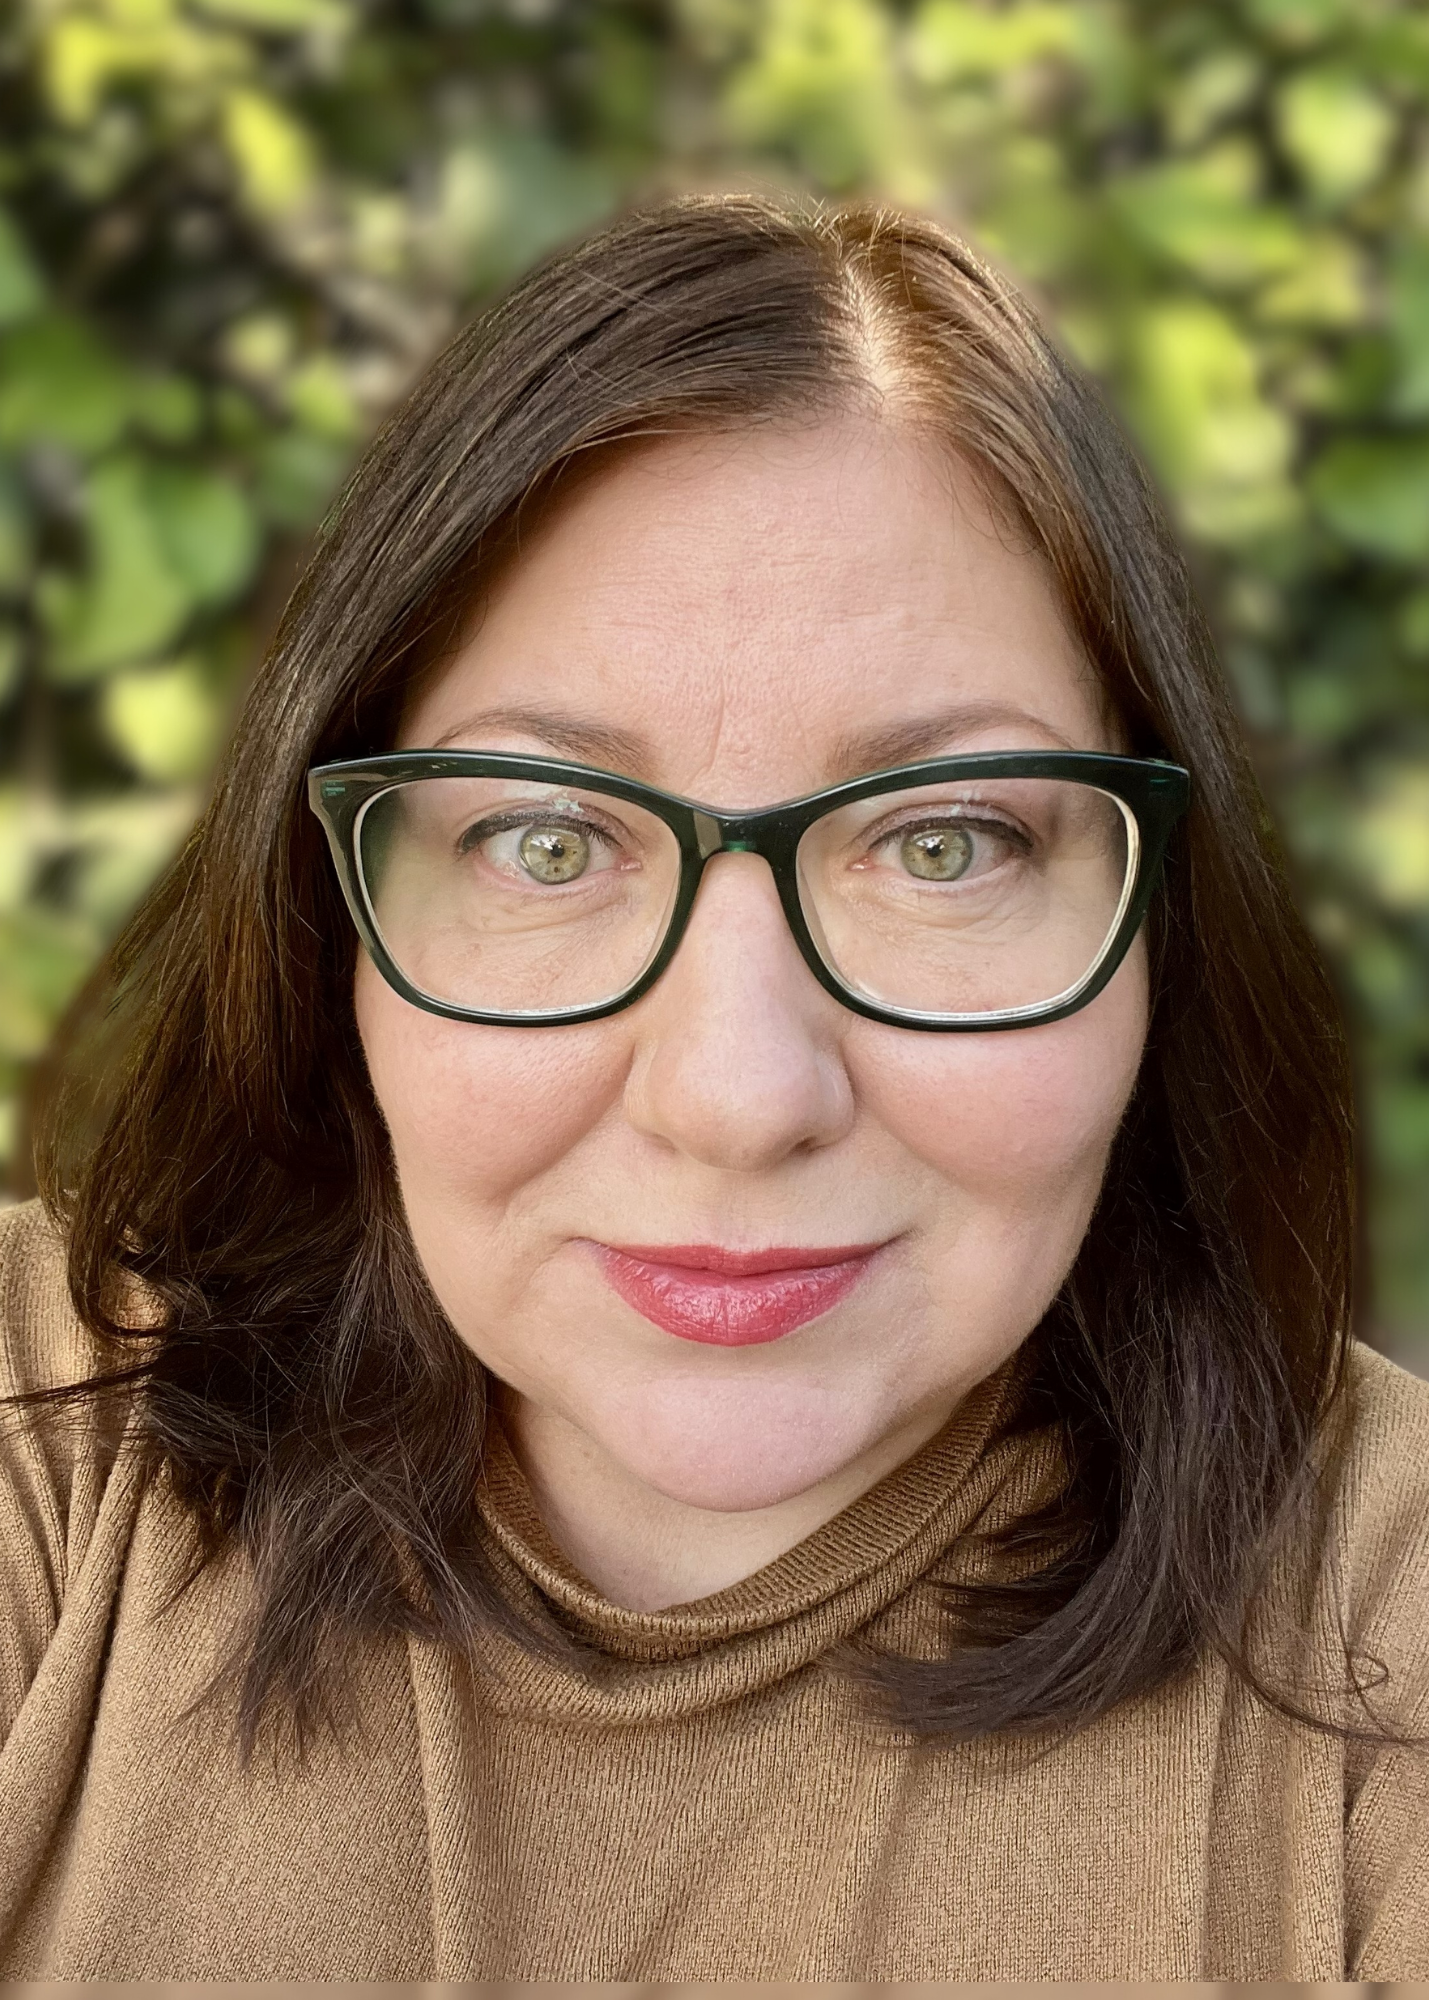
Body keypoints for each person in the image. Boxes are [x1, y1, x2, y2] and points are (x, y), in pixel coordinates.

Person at [1, 194, 1425, 1982]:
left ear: (1162, 928)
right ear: (328, 924)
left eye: (949, 843)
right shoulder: (47, 1455)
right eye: (542, 838)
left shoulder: (1392, 1625)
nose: (742, 1097)